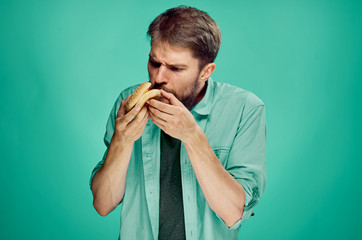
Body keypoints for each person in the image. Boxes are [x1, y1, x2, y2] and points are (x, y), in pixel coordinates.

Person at [90, 6, 266, 240]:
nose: (159, 77)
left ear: (206, 71)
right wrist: (122, 140)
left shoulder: (245, 109)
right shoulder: (128, 103)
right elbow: (103, 205)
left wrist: (193, 137)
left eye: (175, 68)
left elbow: (233, 213)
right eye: (154, 62)